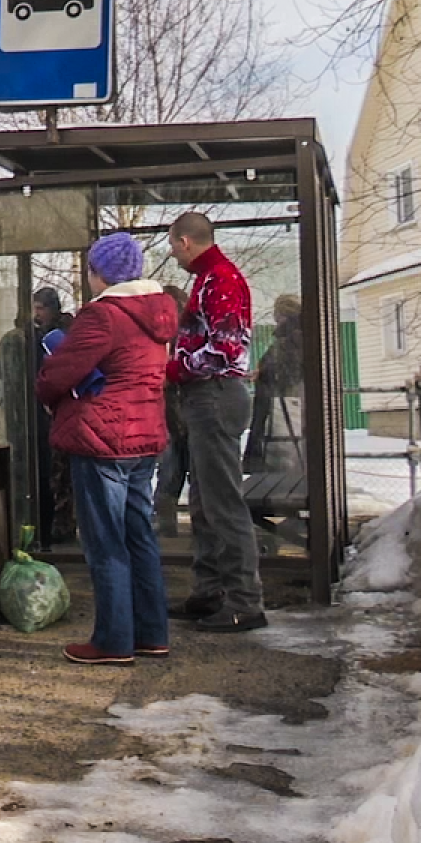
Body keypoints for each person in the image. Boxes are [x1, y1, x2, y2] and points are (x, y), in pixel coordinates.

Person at [37, 232, 177, 666]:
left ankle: (113, 641)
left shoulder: (104, 317)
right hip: (143, 436)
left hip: (102, 439)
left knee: (105, 542)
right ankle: (152, 634)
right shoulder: (160, 314)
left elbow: (59, 373)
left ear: (100, 274)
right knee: (139, 536)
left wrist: (49, 384)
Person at [165, 212, 264, 633]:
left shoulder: (221, 279)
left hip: (216, 395)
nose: (173, 255)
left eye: (172, 247)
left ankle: (245, 601)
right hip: (208, 397)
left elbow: (223, 351)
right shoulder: (209, 280)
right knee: (205, 501)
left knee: (223, 502)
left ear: (185, 242)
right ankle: (210, 592)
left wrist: (173, 369)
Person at [31, 286, 75, 544]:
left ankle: (62, 524)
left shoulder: (61, 334)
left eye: (41, 309)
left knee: (62, 473)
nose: (37, 315)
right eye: (35, 309)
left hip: (62, 411)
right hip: (45, 413)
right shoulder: (36, 335)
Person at [245, 293, 304, 473]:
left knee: (282, 460)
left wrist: (264, 372)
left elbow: (286, 370)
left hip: (281, 406)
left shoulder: (291, 339)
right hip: (286, 405)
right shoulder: (297, 336)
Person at [152, 284, 191, 538]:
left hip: (181, 408)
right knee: (171, 466)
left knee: (174, 466)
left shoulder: (185, 337)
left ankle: (168, 521)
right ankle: (167, 522)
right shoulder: (163, 337)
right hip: (171, 410)